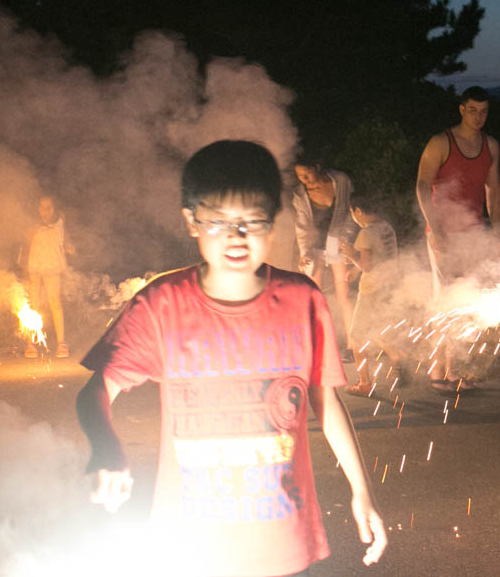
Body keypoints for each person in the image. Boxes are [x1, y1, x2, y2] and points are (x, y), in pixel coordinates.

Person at [75, 141, 386, 576]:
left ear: (274, 223)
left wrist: (362, 489)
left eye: (252, 222)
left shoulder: (303, 300)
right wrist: (106, 450)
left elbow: (327, 404)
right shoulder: (161, 306)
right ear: (191, 222)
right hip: (192, 546)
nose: (236, 237)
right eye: (218, 222)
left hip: (282, 543)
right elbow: (95, 392)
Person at [416, 86, 500, 391]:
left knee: (466, 298)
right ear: (461, 109)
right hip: (443, 232)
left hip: (474, 232)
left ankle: (446, 368)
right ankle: (445, 371)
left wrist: (496, 228)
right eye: (473, 110)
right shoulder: (441, 143)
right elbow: (422, 186)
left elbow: (493, 188)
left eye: (484, 111)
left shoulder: (490, 145)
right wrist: (434, 228)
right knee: (449, 298)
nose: (479, 117)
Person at [339, 193, 401, 396]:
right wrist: (354, 269)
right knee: (376, 329)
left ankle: (365, 383)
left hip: (371, 290)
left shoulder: (366, 233)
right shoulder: (387, 228)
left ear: (358, 211)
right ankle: (397, 356)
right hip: (389, 286)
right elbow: (376, 257)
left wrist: (350, 254)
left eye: (353, 213)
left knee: (356, 336)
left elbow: (367, 264)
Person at [292, 160, 356, 353]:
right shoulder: (301, 196)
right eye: (300, 177)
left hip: (337, 243)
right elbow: (302, 227)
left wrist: (347, 242)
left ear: (317, 167)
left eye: (307, 174)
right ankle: (316, 345)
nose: (304, 180)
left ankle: (354, 344)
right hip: (314, 248)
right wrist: (304, 253)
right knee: (313, 296)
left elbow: (350, 211)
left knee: (344, 296)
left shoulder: (341, 181)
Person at [21, 195, 74, 358]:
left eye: (49, 207)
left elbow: (66, 241)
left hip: (52, 266)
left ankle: (61, 343)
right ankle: (30, 344)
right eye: (42, 208)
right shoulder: (33, 225)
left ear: (54, 208)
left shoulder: (60, 223)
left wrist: (69, 247)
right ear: (38, 209)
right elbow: (25, 246)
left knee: (55, 302)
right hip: (34, 267)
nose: (46, 211)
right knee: (34, 304)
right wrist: (24, 271)